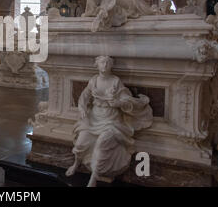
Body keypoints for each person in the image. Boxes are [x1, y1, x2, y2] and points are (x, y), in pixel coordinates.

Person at [65, 56, 153, 187]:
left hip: (111, 120)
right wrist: (82, 108)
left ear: (111, 65)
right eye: (102, 62)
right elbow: (84, 96)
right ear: (97, 65)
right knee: (80, 143)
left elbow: (126, 99)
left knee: (102, 145)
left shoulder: (115, 81)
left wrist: (117, 103)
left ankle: (93, 178)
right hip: (94, 118)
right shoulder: (94, 80)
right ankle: (75, 164)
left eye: (108, 63)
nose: (105, 65)